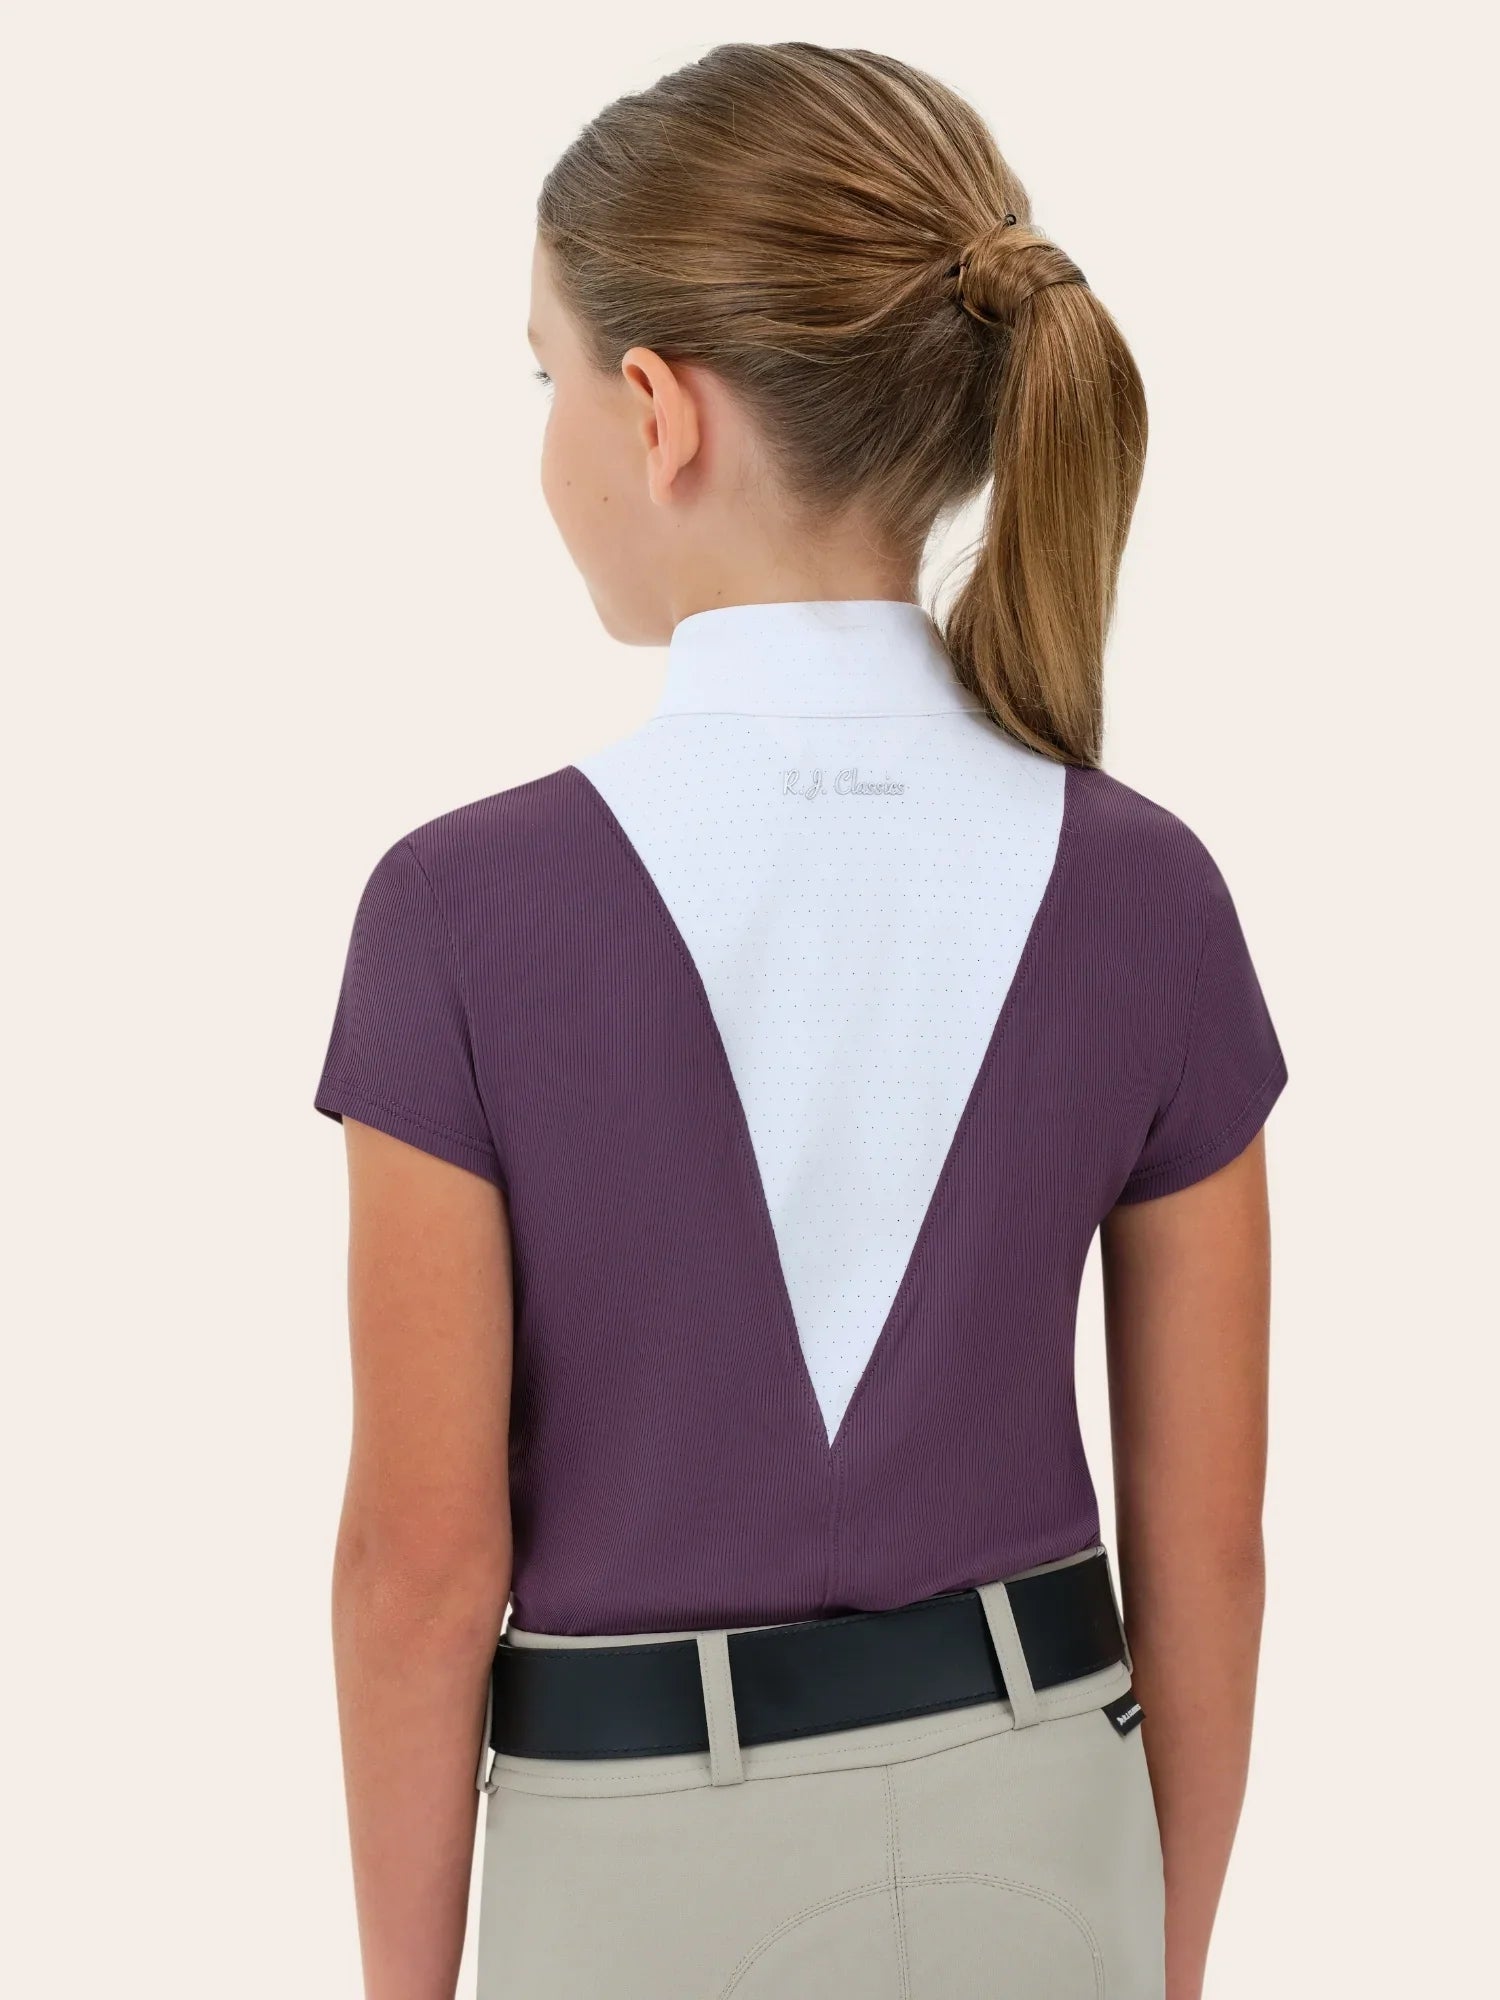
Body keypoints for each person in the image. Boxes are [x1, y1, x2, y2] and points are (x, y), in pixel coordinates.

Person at [313, 40, 1288, 2000]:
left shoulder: (462, 911)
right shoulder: (1149, 889)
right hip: (1047, 1827)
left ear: (656, 412)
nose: (547, 440)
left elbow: (421, 1570)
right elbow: (1208, 1545)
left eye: (542, 375)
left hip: (641, 1856)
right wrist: (1156, 1957)